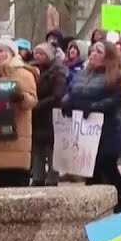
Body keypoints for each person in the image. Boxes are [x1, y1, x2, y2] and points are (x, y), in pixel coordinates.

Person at [62, 42, 121, 210]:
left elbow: (118, 99)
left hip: (107, 130)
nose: (93, 54)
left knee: (108, 168)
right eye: (92, 51)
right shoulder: (82, 74)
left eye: (99, 51)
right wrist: (66, 103)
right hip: (85, 131)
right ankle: (94, 208)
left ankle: (117, 206)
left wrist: (95, 107)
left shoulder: (116, 76)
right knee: (91, 169)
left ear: (108, 56)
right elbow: (72, 91)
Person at [0, 39, 39, 188]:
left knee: (16, 181)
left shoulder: (23, 73)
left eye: (1, 51)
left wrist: (20, 96)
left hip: (16, 134)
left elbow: (32, 101)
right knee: (1, 182)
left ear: (12, 53)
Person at [29, 42, 67, 187]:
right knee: (37, 148)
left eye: (42, 54)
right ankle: (38, 176)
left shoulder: (57, 72)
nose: (38, 56)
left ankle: (52, 177)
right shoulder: (33, 70)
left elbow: (57, 95)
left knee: (51, 149)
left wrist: (39, 104)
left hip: (51, 114)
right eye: (36, 53)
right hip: (36, 116)